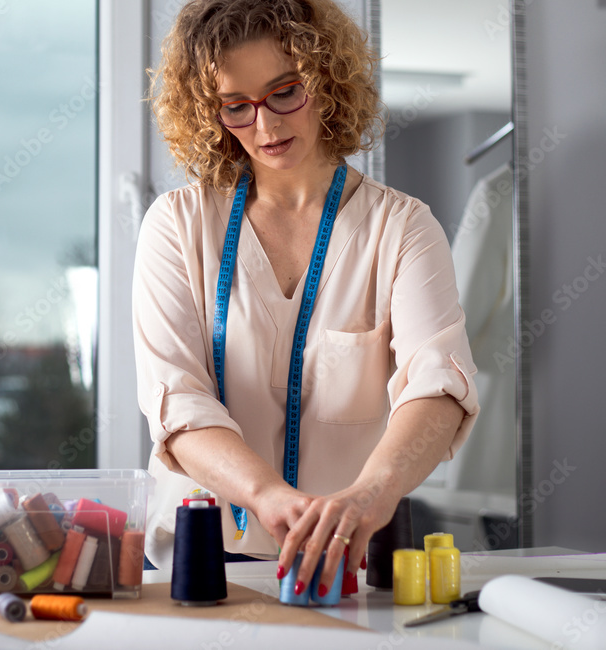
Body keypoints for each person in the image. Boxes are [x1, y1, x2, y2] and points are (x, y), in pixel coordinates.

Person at [133, 0, 480, 598]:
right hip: (197, 559)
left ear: (326, 80)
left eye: (285, 91)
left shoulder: (402, 228)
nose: (264, 126)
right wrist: (268, 496)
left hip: (343, 554)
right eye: (236, 106)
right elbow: (177, 401)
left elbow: (438, 389)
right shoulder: (177, 225)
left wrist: (369, 494)